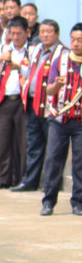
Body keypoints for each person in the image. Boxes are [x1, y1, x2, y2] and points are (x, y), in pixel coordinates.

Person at [15, 19, 63, 192]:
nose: (45, 35)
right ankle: (30, 181)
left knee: (53, 147)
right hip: (33, 102)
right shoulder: (35, 50)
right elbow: (26, 70)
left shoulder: (61, 53)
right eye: (42, 32)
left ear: (57, 34)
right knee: (34, 144)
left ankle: (51, 185)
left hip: (51, 106)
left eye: (49, 32)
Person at [40, 23, 82, 215]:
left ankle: (78, 202)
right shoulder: (61, 60)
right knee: (54, 161)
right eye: (73, 39)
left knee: (79, 163)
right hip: (59, 119)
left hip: (80, 121)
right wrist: (56, 85)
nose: (75, 44)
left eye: (80, 40)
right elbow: (48, 89)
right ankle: (48, 202)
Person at [0, 17, 30, 189]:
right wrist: (0, 59)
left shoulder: (31, 50)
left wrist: (17, 65)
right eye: (13, 33)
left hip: (22, 100)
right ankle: (3, 177)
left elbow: (32, 69)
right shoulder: (4, 48)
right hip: (4, 99)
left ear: (27, 33)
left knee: (21, 141)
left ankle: (22, 178)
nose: (16, 37)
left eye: (19, 33)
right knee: (2, 140)